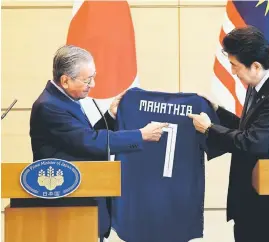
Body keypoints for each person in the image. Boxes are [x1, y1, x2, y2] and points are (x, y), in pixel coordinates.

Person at [28, 45, 168, 242]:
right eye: (87, 80)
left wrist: (110, 115)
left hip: (84, 201)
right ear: (65, 80)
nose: (92, 84)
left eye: (93, 77)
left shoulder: (63, 100)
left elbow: (80, 137)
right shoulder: (49, 106)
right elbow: (87, 142)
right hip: (69, 204)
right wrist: (140, 135)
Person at [188, 26, 269, 242]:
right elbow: (247, 128)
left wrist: (209, 129)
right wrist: (217, 110)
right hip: (248, 195)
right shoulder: (257, 85)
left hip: (266, 199)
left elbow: (254, 142)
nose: (232, 71)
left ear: (256, 66)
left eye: (235, 65)